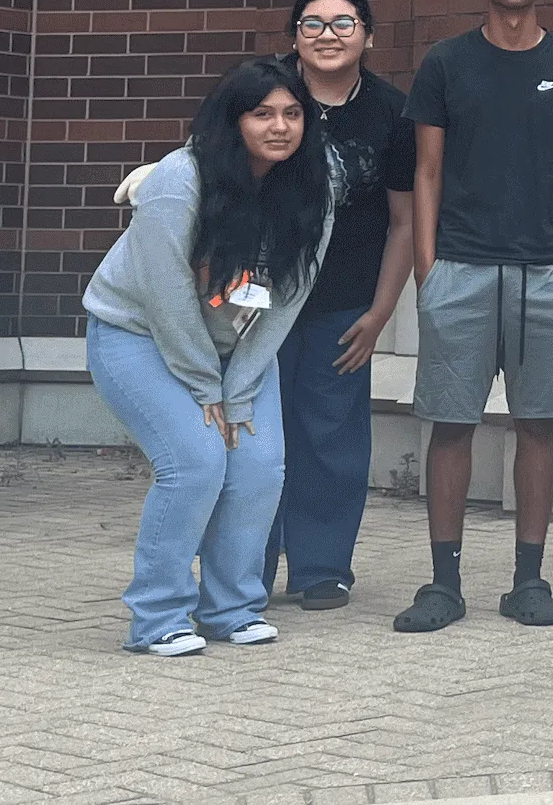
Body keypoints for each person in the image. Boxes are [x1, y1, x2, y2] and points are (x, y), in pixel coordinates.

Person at [397, 0, 553, 633]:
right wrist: (428, 272)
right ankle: (443, 585)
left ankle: (529, 581)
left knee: (537, 423)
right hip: (459, 267)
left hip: (548, 272)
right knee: (451, 425)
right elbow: (426, 172)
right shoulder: (445, 63)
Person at [91, 57, 337, 656]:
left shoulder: (315, 185)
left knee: (259, 468)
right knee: (196, 463)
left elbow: (288, 298)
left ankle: (230, 608)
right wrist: (207, 388)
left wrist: (240, 388)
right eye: (262, 114)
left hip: (240, 350)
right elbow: (166, 295)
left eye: (293, 113)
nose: (280, 127)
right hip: (139, 336)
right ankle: (157, 618)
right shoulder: (180, 179)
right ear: (234, 121)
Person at [260, 0, 412, 613]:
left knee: (331, 435)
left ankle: (322, 568)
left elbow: (404, 221)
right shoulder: (262, 93)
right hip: (259, 299)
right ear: (294, 35)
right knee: (257, 431)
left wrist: (380, 313)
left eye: (344, 23)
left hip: (346, 302)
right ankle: (244, 568)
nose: (328, 35)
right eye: (313, 23)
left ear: (368, 36)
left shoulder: (392, 112)